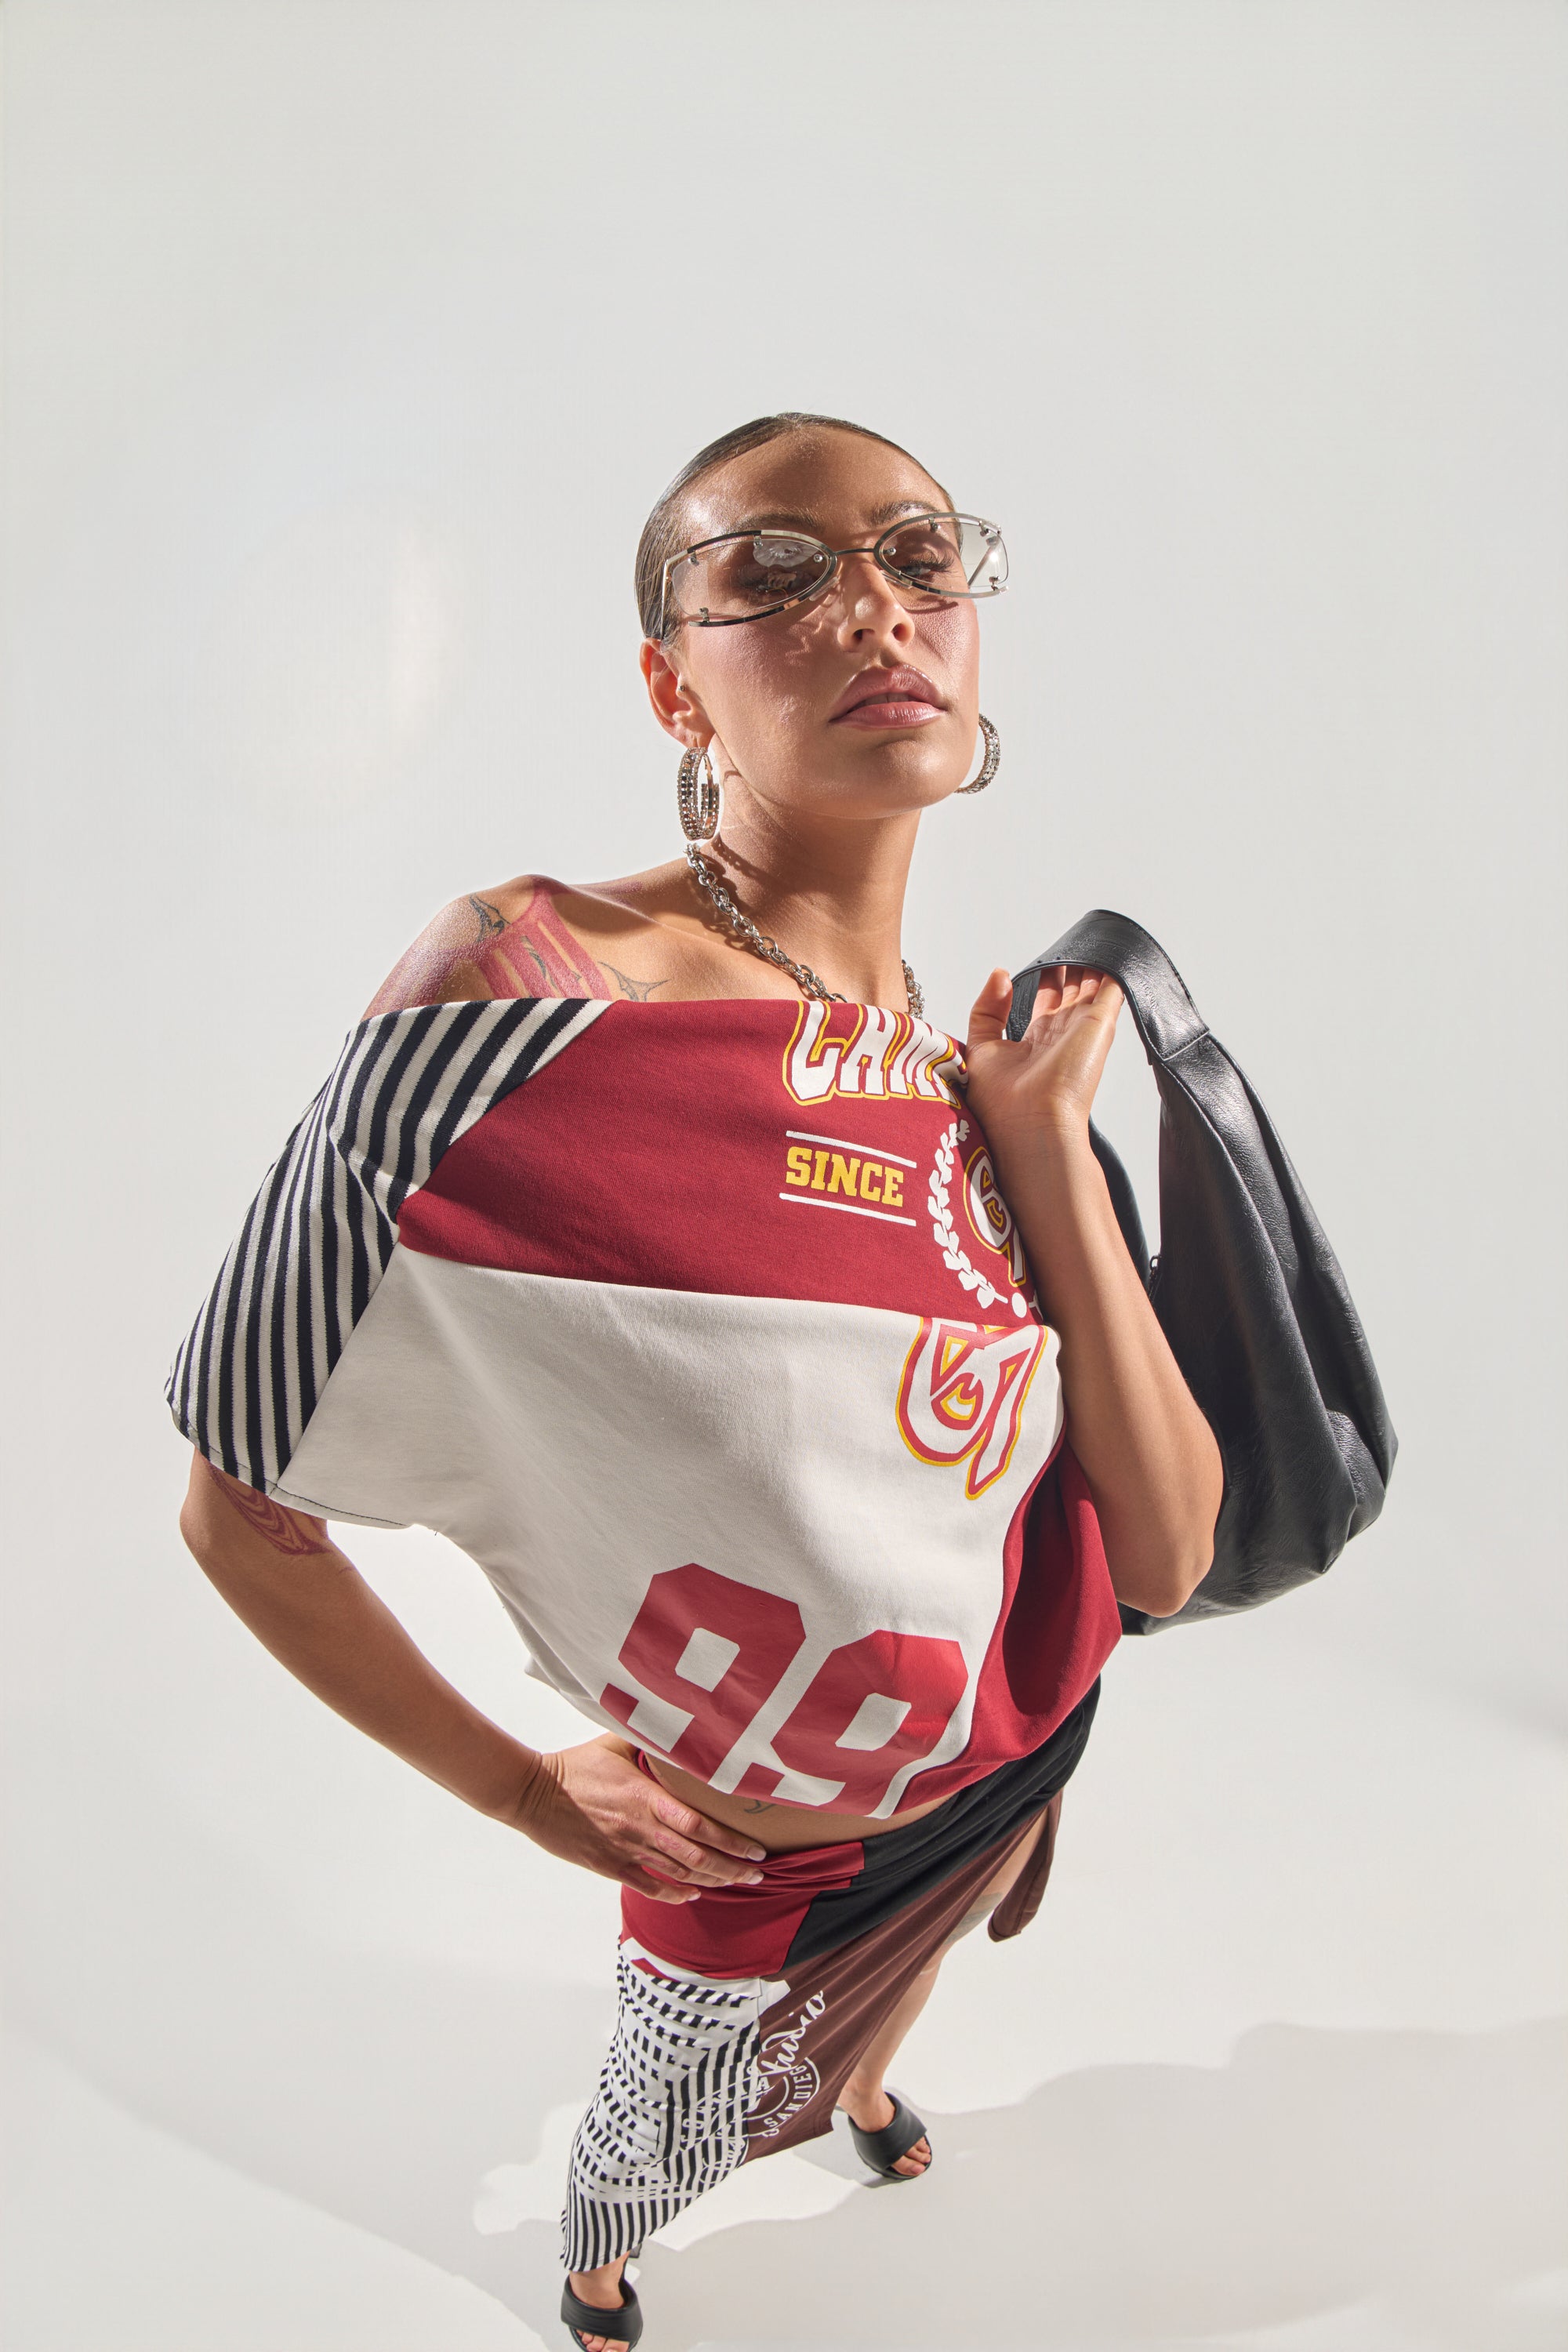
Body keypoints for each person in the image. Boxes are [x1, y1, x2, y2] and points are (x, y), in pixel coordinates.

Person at [171, 412, 1223, 2352]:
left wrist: (1048, 1149)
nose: (873, 609)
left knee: (894, 2003)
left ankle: (865, 2083)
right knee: (661, 2121)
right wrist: (521, 1790)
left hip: (1012, 1735)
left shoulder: (964, 1059)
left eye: (919, 557)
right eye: (778, 574)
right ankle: (594, 2255)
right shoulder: (521, 991)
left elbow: (1158, 1553)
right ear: (674, 681)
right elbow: (237, 1496)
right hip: (750, 1830)